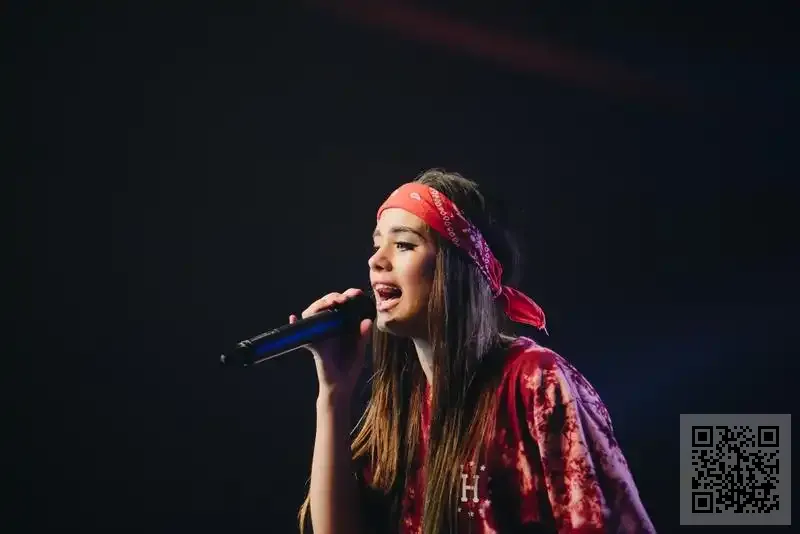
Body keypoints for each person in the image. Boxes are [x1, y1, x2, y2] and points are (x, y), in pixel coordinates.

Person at [295, 169, 656, 533]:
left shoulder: (535, 381)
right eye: (377, 245)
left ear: (457, 266)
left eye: (403, 244)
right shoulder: (402, 402)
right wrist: (333, 392)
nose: (376, 260)